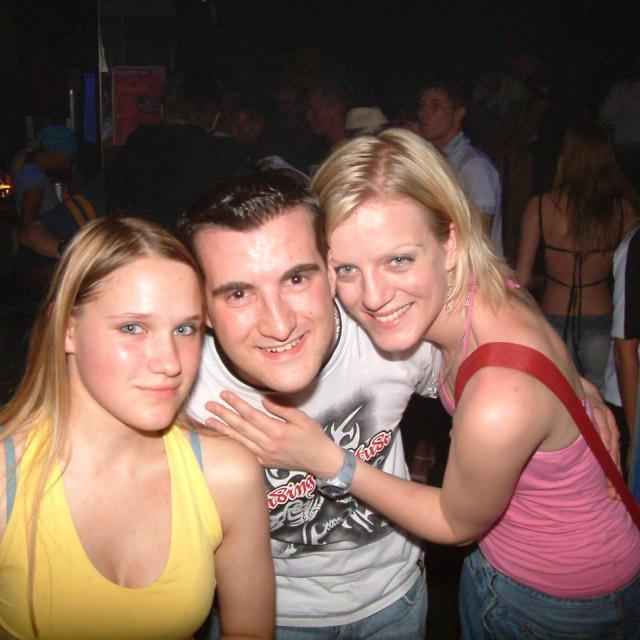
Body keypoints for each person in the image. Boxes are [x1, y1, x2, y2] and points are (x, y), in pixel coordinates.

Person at [205, 129, 640, 640]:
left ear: (449, 241)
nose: (373, 297)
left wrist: (330, 461)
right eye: (347, 268)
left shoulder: (500, 398)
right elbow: (538, 358)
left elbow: (457, 525)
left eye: (399, 260)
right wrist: (579, 388)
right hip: (542, 564)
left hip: (552, 597)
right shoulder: (488, 290)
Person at [178, 172, 436, 640]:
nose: (279, 325)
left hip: (395, 601)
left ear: (332, 271)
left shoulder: (390, 338)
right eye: (238, 293)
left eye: (296, 278)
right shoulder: (179, 390)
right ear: (203, 309)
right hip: (266, 618)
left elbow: (491, 369)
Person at [0, 217, 274, 639]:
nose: (170, 362)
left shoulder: (225, 475)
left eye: (185, 329)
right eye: (133, 328)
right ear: (67, 329)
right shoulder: (6, 483)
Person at [517, 119, 638, 392]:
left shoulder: (541, 206)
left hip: (553, 317)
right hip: (601, 319)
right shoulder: (623, 210)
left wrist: (543, 279)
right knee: (600, 405)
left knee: (558, 402)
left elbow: (521, 279)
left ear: (565, 157)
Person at [418, 78, 503, 254]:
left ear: (458, 113)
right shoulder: (432, 160)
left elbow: (480, 240)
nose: (424, 113)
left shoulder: (474, 166)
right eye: (423, 105)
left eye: (435, 106)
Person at [10, 125, 78, 293]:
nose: (67, 166)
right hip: (39, 257)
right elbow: (28, 224)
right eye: (67, 159)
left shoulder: (33, 174)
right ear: (53, 153)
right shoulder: (34, 177)